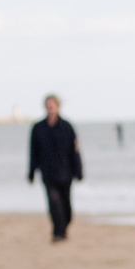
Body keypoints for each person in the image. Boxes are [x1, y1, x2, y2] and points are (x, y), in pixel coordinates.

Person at [28, 95, 82, 242]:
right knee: (54, 203)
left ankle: (63, 228)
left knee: (66, 206)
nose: (50, 107)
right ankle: (58, 233)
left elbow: (75, 151)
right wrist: (31, 172)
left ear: (58, 106)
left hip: (66, 173)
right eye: (48, 105)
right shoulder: (38, 128)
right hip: (48, 173)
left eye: (52, 105)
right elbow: (33, 152)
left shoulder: (67, 127)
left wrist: (79, 171)